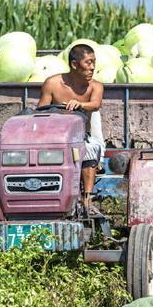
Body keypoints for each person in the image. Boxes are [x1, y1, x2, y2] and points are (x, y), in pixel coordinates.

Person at [38, 44, 104, 215]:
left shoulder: (95, 86)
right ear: (74, 65)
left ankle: (87, 199)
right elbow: (40, 111)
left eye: (94, 62)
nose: (92, 68)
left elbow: (96, 104)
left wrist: (80, 104)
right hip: (54, 137)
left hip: (82, 137)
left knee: (90, 149)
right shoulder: (52, 83)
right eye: (88, 63)